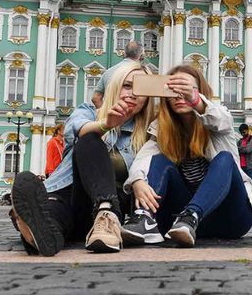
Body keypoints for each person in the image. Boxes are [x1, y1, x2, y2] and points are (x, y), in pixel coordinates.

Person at [10, 61, 155, 256]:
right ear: (114, 86)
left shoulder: (151, 128)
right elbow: (74, 130)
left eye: (141, 88)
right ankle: (34, 233)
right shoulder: (89, 111)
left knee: (56, 216)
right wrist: (105, 124)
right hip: (70, 196)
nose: (132, 93)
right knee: (51, 216)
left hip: (109, 207)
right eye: (127, 85)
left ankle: (106, 214)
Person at [120, 63, 252, 247]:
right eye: (174, 90)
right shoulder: (162, 130)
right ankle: (144, 219)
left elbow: (221, 118)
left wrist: (195, 100)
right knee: (157, 159)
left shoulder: (219, 123)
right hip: (179, 224)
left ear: (199, 92)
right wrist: (137, 180)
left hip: (231, 218)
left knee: (225, 159)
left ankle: (192, 215)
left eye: (187, 89)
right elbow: (143, 159)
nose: (180, 95)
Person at [92, 42, 145, 108]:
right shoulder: (143, 74)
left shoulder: (108, 72)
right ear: (142, 57)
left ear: (123, 55)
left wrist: (105, 114)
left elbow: (95, 98)